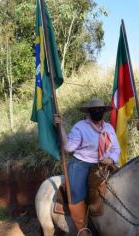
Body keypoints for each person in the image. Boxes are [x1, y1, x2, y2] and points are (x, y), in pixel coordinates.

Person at [55, 98, 120, 236]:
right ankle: (82, 229)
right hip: (82, 163)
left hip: (105, 164)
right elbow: (69, 148)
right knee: (77, 192)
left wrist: (111, 159)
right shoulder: (80, 126)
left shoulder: (109, 128)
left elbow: (116, 149)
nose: (98, 112)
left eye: (101, 110)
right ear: (89, 112)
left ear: (104, 112)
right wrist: (60, 127)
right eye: (95, 110)